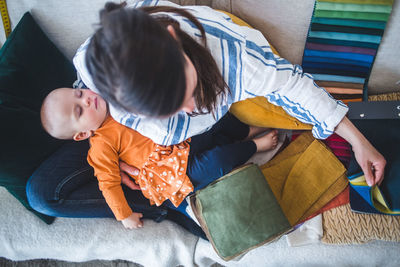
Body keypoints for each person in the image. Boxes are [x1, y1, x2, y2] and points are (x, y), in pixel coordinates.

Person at [26, 0, 386, 239]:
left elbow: (298, 89)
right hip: (145, 161)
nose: (184, 111)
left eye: (184, 96)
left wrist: (358, 140)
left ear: (172, 39)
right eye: (157, 109)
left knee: (229, 223)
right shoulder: (90, 62)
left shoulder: (243, 62)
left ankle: (180, 201)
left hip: (194, 146)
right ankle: (172, 203)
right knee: (39, 194)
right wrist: (114, 158)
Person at [40, 87, 278, 229]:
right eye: (80, 110)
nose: (87, 100)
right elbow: (108, 184)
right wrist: (124, 216)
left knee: (215, 124)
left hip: (180, 138)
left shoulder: (111, 93)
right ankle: (253, 146)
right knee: (217, 162)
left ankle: (245, 131)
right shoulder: (100, 146)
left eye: (80, 93)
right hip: (168, 170)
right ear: (82, 134)